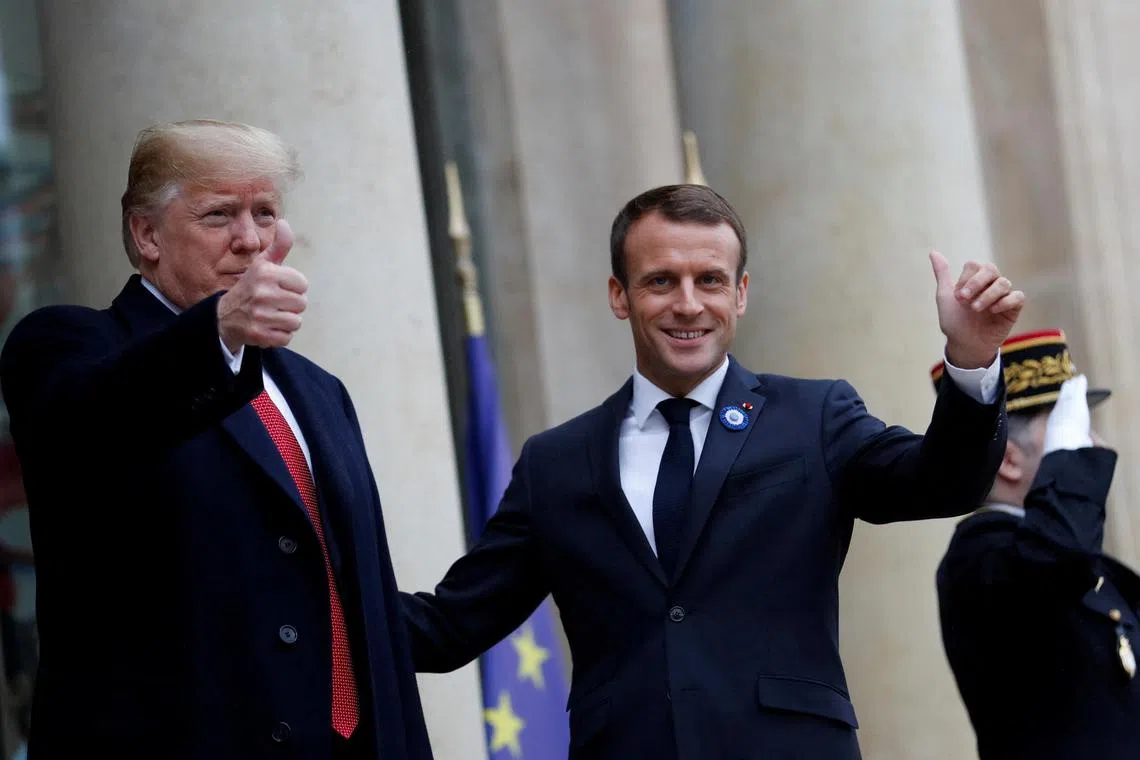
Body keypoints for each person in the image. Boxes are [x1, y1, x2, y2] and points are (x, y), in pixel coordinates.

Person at [402, 184, 1022, 759]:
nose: (688, 304)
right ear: (619, 295)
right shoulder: (555, 462)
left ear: (741, 293)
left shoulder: (814, 416)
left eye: (710, 280)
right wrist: (313, 586)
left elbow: (946, 482)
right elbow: (450, 626)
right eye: (661, 281)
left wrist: (972, 359)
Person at [0, 120, 433, 760]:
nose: (251, 239)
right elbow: (101, 419)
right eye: (219, 214)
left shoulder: (317, 390)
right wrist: (219, 332)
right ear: (146, 233)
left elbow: (339, 593)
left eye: (265, 213)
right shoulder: (67, 345)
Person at [934, 332, 1140, 759]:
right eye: (1074, 436)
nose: (1095, 449)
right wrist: (1072, 469)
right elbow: (1060, 557)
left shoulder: (1073, 558)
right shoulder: (983, 554)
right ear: (1008, 459)